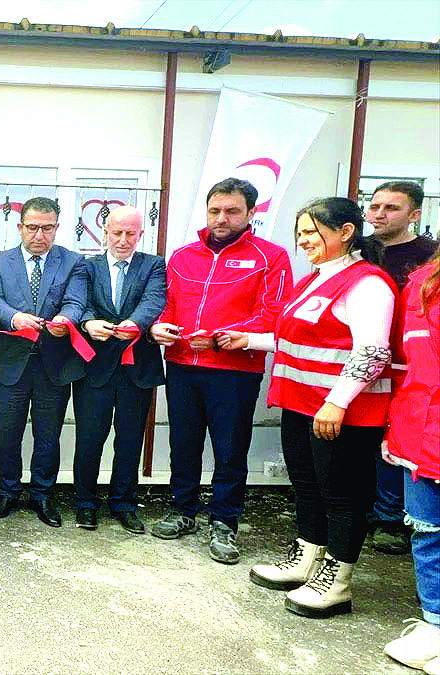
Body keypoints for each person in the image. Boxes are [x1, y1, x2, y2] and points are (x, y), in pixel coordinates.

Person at [221, 197, 395, 618]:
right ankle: (308, 558)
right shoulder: (314, 279)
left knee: (340, 494)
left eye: (311, 232)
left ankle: (337, 580)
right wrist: (251, 341)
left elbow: (373, 352)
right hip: (301, 405)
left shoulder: (367, 283)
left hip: (341, 412)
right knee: (308, 486)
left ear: (346, 232)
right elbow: (296, 335)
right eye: (299, 233)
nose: (303, 241)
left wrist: (336, 403)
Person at [149, 177, 293, 565]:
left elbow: (274, 314)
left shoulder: (271, 257)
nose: (221, 218)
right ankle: (182, 511)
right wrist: (159, 327)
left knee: (229, 449)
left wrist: (223, 337)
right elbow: (168, 305)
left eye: (231, 211)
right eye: (215, 210)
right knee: (184, 443)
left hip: (234, 370)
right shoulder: (182, 256)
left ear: (251, 213)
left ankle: (224, 521)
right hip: (181, 364)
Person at [0, 197, 87, 526]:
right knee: (7, 432)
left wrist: (64, 319)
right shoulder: (0, 262)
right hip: (10, 363)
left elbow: (76, 301)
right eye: (32, 227)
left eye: (47, 228)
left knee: (48, 435)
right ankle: (8, 491)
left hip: (53, 364)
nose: (39, 234)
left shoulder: (73, 262)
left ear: (56, 228)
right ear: (20, 227)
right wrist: (13, 317)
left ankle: (43, 495)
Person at [72, 206, 166, 534]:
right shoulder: (87, 266)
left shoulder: (153, 265)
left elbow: (154, 301)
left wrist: (136, 323)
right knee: (89, 438)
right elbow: (78, 301)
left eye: (130, 234)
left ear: (141, 234)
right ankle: (85, 502)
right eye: (117, 233)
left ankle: (123, 503)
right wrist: (87, 322)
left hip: (136, 368)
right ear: (105, 233)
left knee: (129, 441)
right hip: (94, 368)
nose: (123, 240)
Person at [366, 180, 438, 556]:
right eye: (375, 206)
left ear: (414, 214)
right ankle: (358, 510)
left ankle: (390, 519)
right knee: (362, 439)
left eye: (391, 208)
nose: (380, 214)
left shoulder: (430, 257)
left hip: (410, 368)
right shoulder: (358, 249)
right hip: (363, 361)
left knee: (395, 445)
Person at [381, 246, 440, 672]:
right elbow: (407, 364)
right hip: (418, 430)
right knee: (427, 534)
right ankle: (434, 623)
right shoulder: (420, 284)